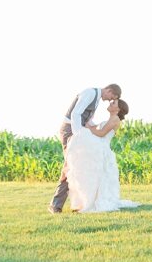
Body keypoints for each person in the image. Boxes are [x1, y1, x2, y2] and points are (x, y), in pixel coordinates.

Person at [48, 84, 121, 214]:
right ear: (109, 90)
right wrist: (78, 136)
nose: (109, 100)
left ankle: (80, 202)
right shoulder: (90, 93)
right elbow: (76, 113)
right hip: (70, 130)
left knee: (78, 166)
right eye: (111, 97)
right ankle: (55, 205)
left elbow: (86, 120)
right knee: (70, 166)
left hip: (77, 131)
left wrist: (90, 129)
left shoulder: (96, 98)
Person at [65, 99, 140, 213]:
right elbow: (96, 129)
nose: (110, 103)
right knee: (95, 177)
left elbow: (101, 133)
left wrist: (87, 129)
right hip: (100, 149)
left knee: (100, 178)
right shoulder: (110, 119)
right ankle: (88, 201)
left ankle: (94, 202)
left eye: (113, 103)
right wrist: (88, 126)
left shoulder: (115, 119)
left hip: (103, 151)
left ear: (118, 109)